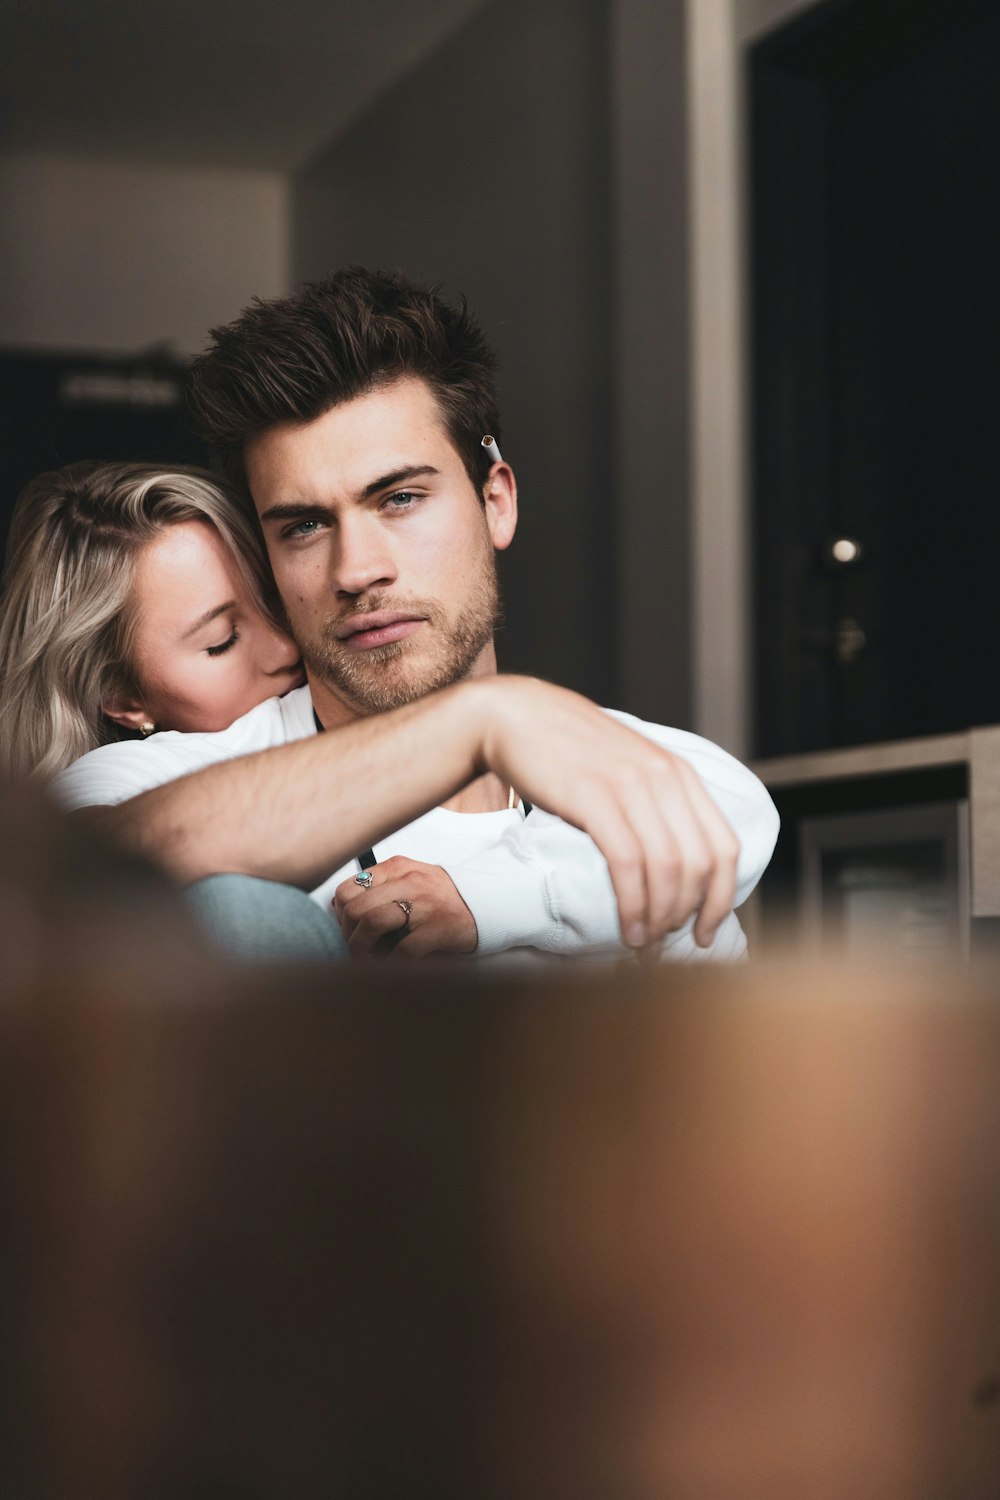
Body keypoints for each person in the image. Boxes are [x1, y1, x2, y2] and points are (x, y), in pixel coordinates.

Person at [49, 269, 779, 962]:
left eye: (399, 498)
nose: (357, 570)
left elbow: (733, 806)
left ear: (497, 501)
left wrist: (486, 899)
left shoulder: (611, 782)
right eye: (303, 526)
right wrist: (478, 723)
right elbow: (71, 879)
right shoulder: (178, 778)